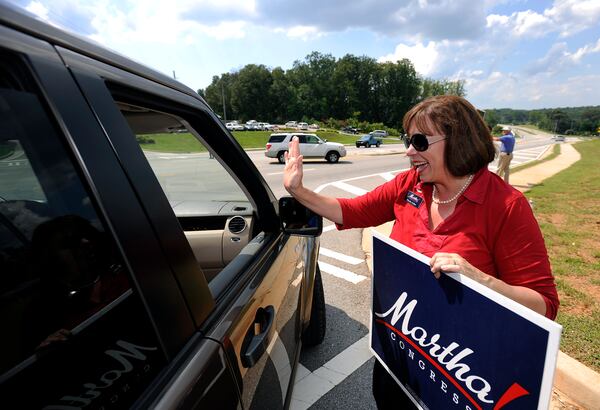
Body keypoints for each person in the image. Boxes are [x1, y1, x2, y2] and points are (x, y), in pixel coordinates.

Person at [283, 95, 559, 409]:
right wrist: (298, 190)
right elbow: (350, 211)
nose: (409, 150)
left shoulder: (506, 207)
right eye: (408, 139)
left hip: (457, 375)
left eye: (419, 141)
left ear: (457, 141)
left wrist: (480, 280)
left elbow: (543, 306)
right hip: (399, 359)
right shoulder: (409, 185)